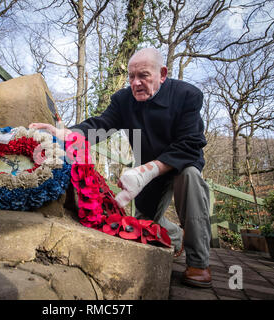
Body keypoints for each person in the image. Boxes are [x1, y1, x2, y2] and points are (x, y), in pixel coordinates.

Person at [29, 48, 212, 288]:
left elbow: (190, 145)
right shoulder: (123, 100)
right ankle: (178, 237)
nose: (136, 83)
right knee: (144, 223)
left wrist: (146, 171)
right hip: (146, 171)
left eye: (144, 76)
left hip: (180, 163)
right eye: (131, 76)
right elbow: (101, 124)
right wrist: (69, 133)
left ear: (163, 74)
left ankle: (198, 262)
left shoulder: (188, 95)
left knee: (190, 176)